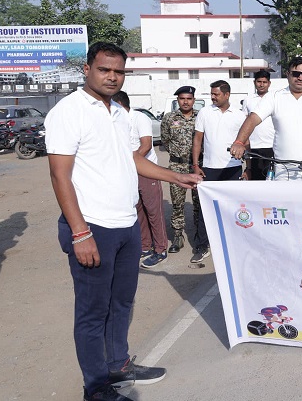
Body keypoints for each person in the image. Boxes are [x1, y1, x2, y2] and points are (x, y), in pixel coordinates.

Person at [45, 42, 201, 401]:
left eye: (119, 71)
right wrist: (80, 232)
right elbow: (59, 175)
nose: (112, 77)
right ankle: (96, 387)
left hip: (126, 225)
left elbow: (132, 159)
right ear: (87, 70)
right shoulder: (69, 111)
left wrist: (175, 176)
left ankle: (117, 366)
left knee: (121, 303)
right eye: (104, 69)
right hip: (92, 226)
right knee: (92, 312)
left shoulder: (118, 112)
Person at [230, 57, 302, 181]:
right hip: (284, 170)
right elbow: (253, 119)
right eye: (296, 74)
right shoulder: (274, 97)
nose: (300, 78)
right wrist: (239, 142)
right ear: (288, 74)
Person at [111, 91, 169, 269]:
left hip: (146, 171)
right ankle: (145, 246)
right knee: (138, 211)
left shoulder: (139, 118)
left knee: (153, 211)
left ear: (120, 104)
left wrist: (130, 163)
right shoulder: (116, 121)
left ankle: (160, 249)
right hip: (129, 173)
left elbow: (146, 145)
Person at [191, 80, 245, 263]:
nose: (213, 97)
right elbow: (197, 140)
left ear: (227, 94)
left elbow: (246, 142)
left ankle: (232, 245)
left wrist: (247, 168)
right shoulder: (205, 112)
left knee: (232, 208)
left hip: (233, 168)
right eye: (211, 94)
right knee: (206, 209)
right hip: (209, 169)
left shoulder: (239, 115)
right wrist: (196, 165)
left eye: (216, 94)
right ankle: (202, 246)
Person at [161, 86, 203, 255]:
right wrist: (177, 154)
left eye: (189, 98)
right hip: (177, 166)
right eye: (182, 98)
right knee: (177, 203)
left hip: (197, 166)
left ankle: (199, 236)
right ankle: (178, 236)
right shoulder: (169, 118)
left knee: (199, 203)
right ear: (177, 100)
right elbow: (165, 139)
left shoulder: (201, 117)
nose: (185, 102)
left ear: (194, 100)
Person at [241, 71, 275, 181]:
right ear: (254, 82)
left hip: (272, 147)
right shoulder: (248, 100)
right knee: (256, 181)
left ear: (269, 83)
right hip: (254, 147)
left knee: (273, 182)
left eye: (264, 82)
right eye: (259, 81)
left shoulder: (274, 98)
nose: (261, 84)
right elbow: (245, 122)